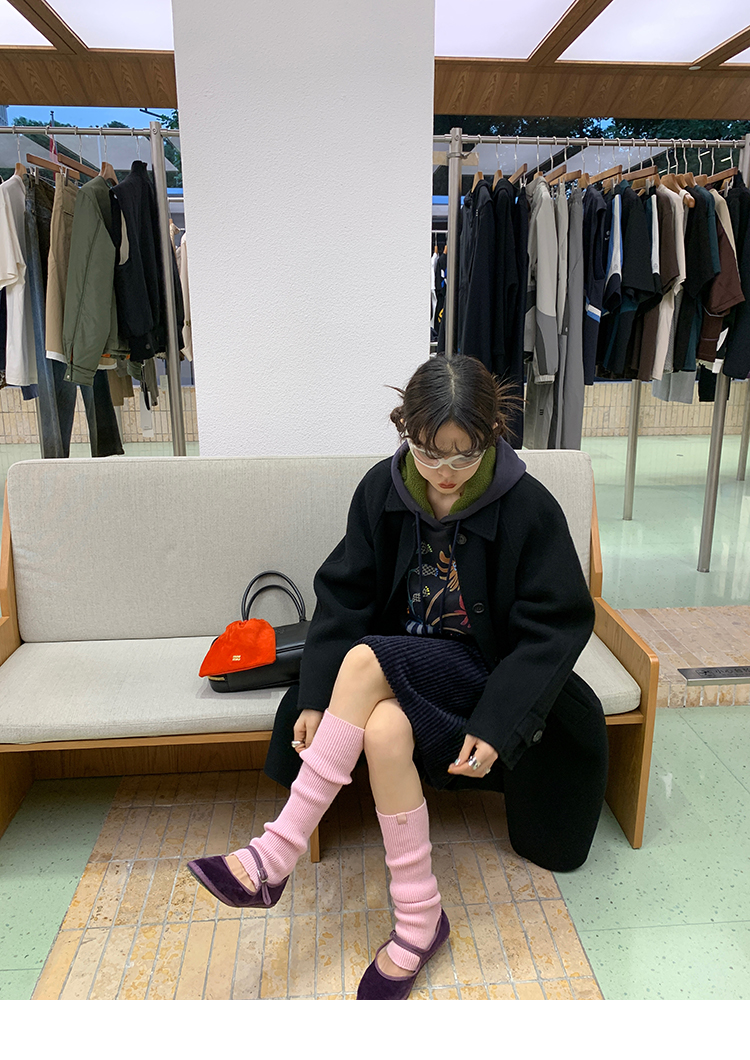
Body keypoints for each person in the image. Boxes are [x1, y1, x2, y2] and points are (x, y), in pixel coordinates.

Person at [188, 354, 608, 1000]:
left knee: (363, 660)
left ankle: (274, 855)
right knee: (383, 729)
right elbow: (344, 595)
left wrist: (500, 718)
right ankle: (419, 919)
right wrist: (315, 696)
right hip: (404, 670)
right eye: (429, 452)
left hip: (483, 672)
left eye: (464, 454)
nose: (445, 472)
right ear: (405, 430)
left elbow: (557, 626)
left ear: (492, 434)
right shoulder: (381, 491)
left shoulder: (528, 506)